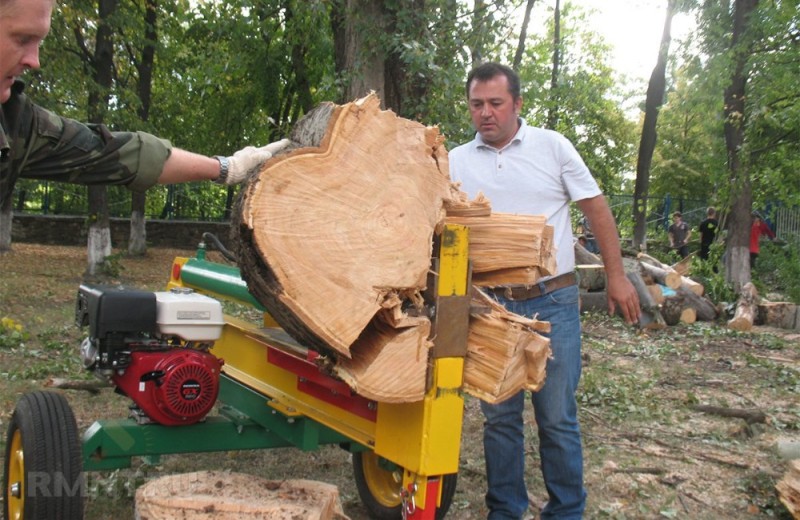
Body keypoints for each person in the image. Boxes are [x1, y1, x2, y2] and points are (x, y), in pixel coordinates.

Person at [448, 62, 640, 520]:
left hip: (552, 300)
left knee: (556, 417)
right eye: (477, 105)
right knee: (498, 418)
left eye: (495, 103)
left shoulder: (552, 147)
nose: (486, 113)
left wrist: (616, 275)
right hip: (490, 304)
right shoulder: (455, 160)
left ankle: (566, 511)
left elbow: (597, 209)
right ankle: (506, 510)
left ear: (517, 103)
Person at [1, 0, 289, 208]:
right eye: (23, 39)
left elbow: (117, 153)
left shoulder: (15, 124)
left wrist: (229, 167)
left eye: (38, 42)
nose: (34, 61)